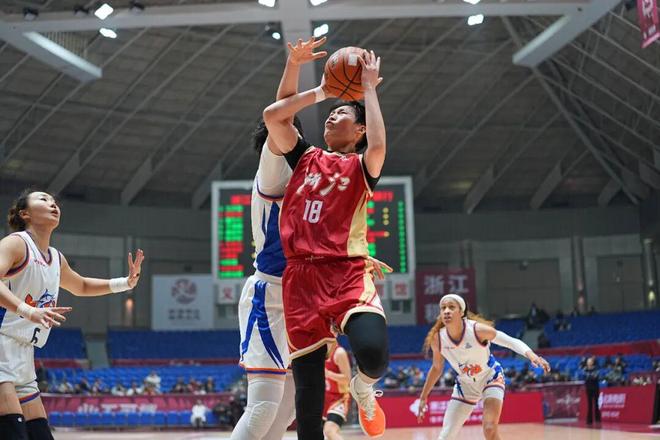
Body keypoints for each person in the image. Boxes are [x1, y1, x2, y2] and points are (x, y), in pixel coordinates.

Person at [263, 43, 389, 439]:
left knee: (373, 355)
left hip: (345, 272)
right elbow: (273, 116)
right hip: (300, 278)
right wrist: (320, 90)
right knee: (308, 398)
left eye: (342, 112)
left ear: (360, 130)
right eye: (331, 113)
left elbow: (379, 146)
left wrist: (368, 90)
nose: (332, 115)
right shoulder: (305, 156)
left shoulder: (361, 166)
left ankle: (363, 387)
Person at [230, 36, 327, 440]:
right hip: (270, 294)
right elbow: (278, 116)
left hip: (300, 300)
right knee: (263, 407)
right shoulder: (274, 171)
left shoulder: (311, 179)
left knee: (285, 411)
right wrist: (298, 69)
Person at [0, 189, 144, 440]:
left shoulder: (56, 258)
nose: (53, 204)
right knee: (14, 431)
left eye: (55, 201)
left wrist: (125, 283)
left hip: (23, 352)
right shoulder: (16, 243)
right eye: (43, 199)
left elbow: (82, 286)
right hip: (1, 343)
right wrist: (27, 310)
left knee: (40, 434)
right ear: (25, 214)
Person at [416, 294, 550, 440]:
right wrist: (423, 397)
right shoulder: (438, 339)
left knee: (489, 428)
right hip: (465, 386)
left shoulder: (477, 330)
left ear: (461, 312)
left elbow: (510, 341)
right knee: (446, 436)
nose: (446, 311)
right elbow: (437, 368)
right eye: (443, 308)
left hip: (490, 378)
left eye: (451, 307)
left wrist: (532, 356)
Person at [323, 343, 352, 440]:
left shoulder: (339, 352)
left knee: (329, 431)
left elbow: (347, 379)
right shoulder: (319, 351)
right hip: (324, 398)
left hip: (339, 398)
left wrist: (329, 374)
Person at [582, 356, 601, 425]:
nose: (589, 363)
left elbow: (595, 377)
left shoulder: (596, 369)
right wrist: (589, 376)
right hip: (588, 388)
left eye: (590, 361)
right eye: (588, 362)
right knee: (589, 404)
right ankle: (589, 420)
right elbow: (585, 377)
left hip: (595, 388)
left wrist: (590, 376)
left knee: (596, 404)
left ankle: (597, 419)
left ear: (592, 362)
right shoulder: (585, 369)